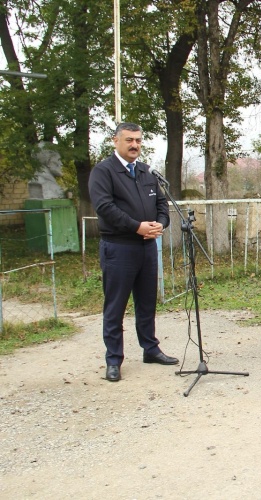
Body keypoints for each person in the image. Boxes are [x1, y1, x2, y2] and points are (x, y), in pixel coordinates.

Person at [88, 122, 177, 382]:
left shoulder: (146, 171)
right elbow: (105, 208)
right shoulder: (104, 171)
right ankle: (113, 359)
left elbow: (162, 203)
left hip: (147, 248)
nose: (134, 145)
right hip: (119, 248)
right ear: (115, 141)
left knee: (147, 302)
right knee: (115, 306)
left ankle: (150, 349)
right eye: (129, 140)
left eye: (138, 140)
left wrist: (161, 223)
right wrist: (136, 227)